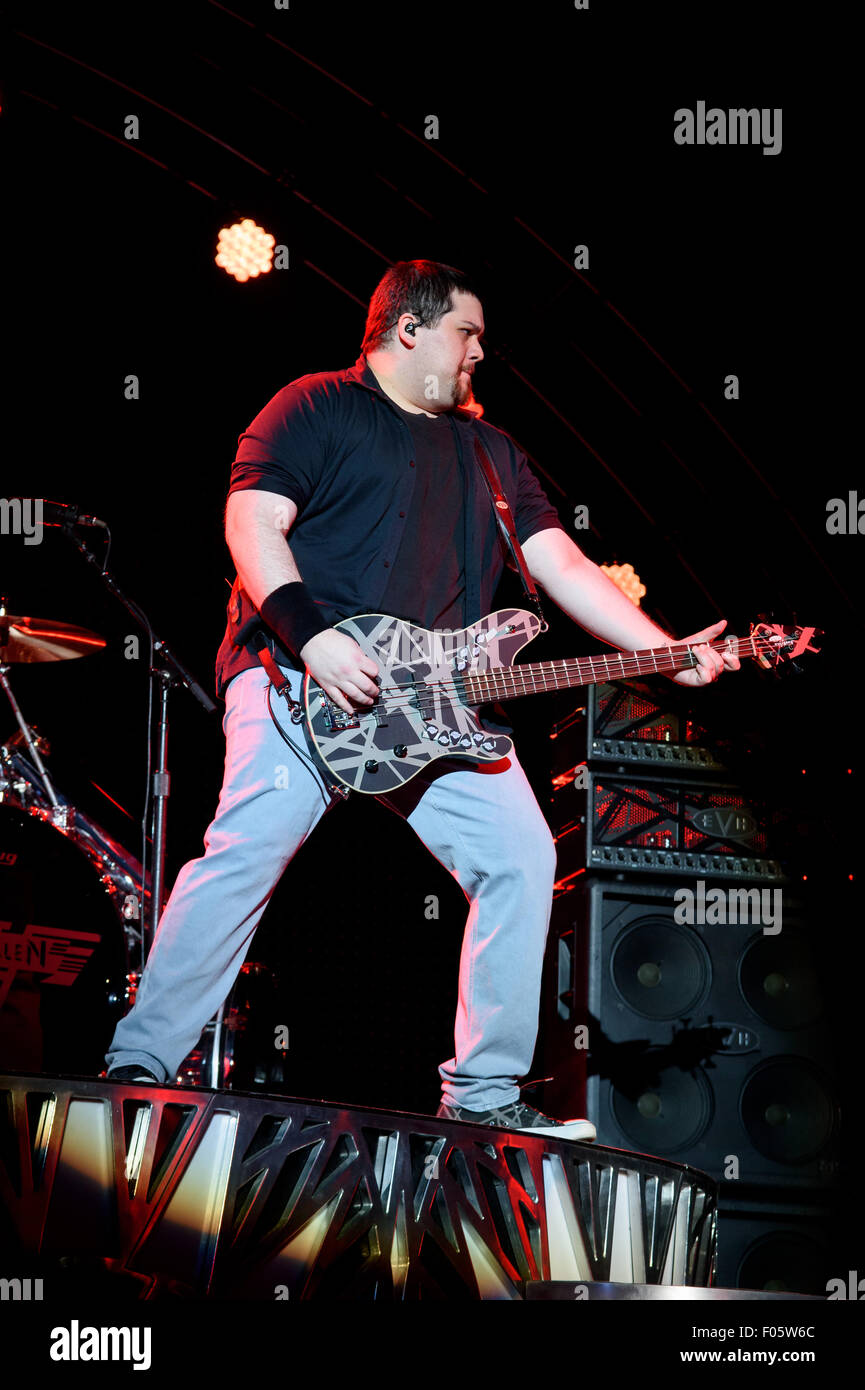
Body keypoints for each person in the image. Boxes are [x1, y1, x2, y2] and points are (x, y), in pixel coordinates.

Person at [105, 260, 739, 1139]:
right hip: (299, 676)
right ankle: (136, 1066)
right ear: (411, 329)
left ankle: (483, 1098)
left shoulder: (493, 452)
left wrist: (666, 656)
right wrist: (311, 635)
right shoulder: (313, 405)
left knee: (518, 859)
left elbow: (563, 566)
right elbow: (251, 523)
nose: (481, 351)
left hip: (440, 708)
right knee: (247, 849)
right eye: (467, 333)